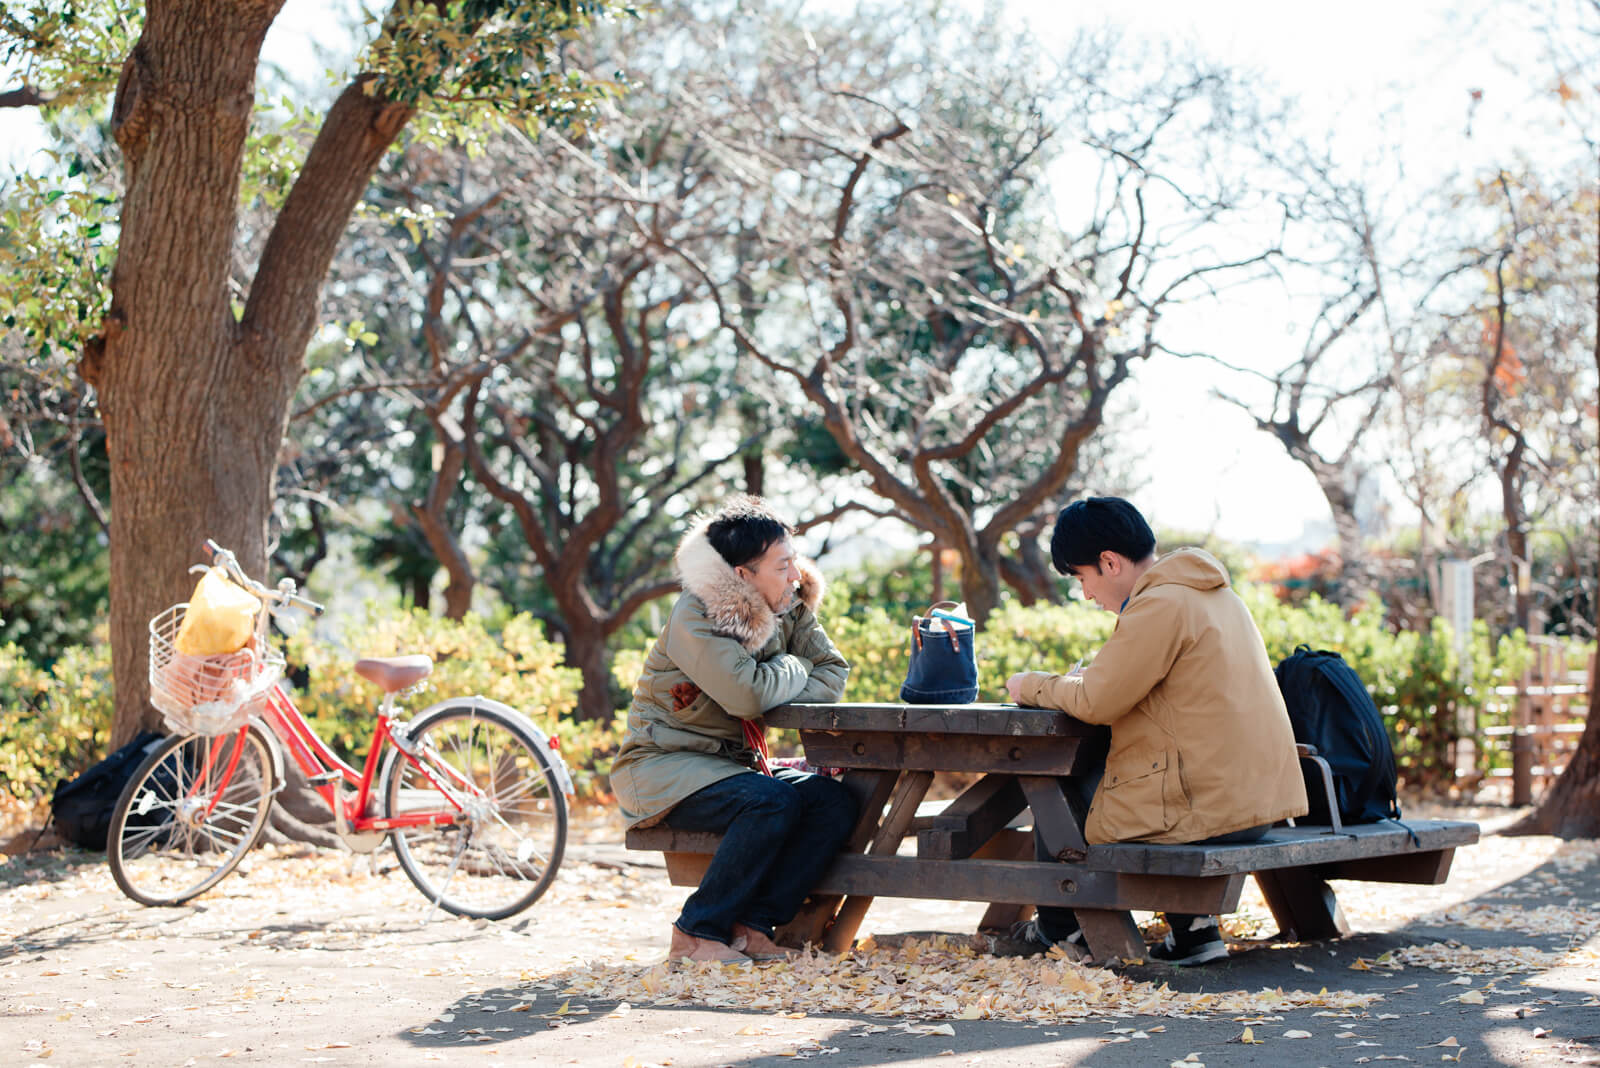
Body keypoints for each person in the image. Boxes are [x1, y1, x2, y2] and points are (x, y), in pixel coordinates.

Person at [1004, 497, 1308, 966]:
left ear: (1109, 562)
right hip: (1255, 802)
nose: (1085, 594)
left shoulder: (1159, 604)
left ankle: (1063, 931)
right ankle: (1194, 933)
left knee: (1055, 786)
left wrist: (1030, 685)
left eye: (1082, 578)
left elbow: (1098, 702)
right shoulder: (1215, 595)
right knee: (1134, 775)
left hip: (1212, 807)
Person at [610, 496, 856, 963]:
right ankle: (695, 932)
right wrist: (792, 666)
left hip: (733, 767)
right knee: (771, 801)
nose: (795, 575)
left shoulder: (789, 602)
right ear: (743, 575)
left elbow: (833, 672)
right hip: (661, 767)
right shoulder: (697, 614)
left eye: (794, 561)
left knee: (833, 801)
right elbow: (746, 696)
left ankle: (752, 926)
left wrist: (772, 683)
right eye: (782, 566)